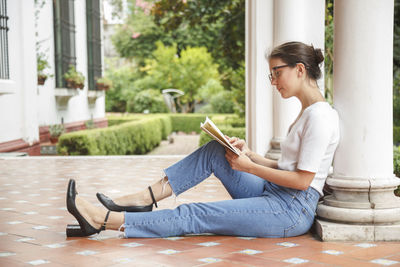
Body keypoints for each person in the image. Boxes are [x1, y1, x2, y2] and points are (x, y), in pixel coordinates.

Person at [66, 41, 340, 238]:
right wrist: (252, 155)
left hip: (289, 211)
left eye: (276, 73)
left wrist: (250, 167)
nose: (273, 81)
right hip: (275, 194)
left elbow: (304, 181)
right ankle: (145, 197)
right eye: (272, 74)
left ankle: (103, 220)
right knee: (215, 151)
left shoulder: (319, 117)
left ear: (300, 69)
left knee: (196, 213)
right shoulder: (307, 113)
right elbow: (289, 168)